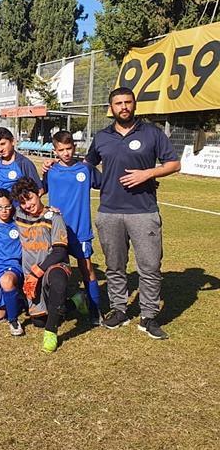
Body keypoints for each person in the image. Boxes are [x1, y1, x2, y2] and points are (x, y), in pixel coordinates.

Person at [86, 87, 181, 339]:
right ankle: (119, 310)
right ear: (111, 108)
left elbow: (174, 164)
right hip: (109, 212)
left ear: (134, 104)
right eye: (118, 103)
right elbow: (87, 165)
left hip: (143, 212)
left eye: (128, 102)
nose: (124, 107)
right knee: (115, 266)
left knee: (150, 267)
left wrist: (148, 173)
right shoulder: (102, 137)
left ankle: (148, 316)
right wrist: (56, 166)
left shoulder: (152, 133)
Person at [43, 130, 103, 326]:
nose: (66, 153)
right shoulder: (50, 171)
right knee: (55, 270)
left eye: (69, 148)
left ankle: (95, 310)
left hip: (80, 230)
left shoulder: (86, 169)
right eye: (61, 150)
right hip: (56, 231)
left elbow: (108, 184)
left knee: (87, 269)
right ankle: (56, 309)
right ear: (54, 151)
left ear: (74, 147)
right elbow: (37, 192)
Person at [11, 177, 72, 353]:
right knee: (39, 321)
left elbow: (60, 252)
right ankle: (75, 302)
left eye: (30, 198)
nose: (27, 205)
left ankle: (51, 333)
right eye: (22, 202)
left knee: (58, 282)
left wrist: (36, 273)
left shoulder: (54, 217)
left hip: (53, 267)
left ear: (39, 193)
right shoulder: (18, 214)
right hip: (31, 274)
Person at [0, 189, 25, 336]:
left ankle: (13, 321)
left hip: (12, 268)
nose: (4, 211)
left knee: (6, 280)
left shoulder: (19, 224)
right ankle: (19, 302)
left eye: (7, 206)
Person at [0, 127, 43, 195]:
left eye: (3, 144)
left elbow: (39, 190)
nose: (0, 149)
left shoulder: (24, 163)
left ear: (12, 141)